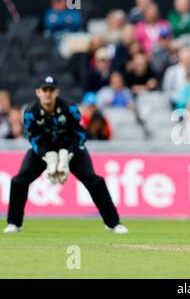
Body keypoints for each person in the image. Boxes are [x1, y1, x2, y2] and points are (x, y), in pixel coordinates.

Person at [4, 76, 128, 234]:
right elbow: (32, 138)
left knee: (94, 181)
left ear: (56, 92)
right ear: (38, 92)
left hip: (70, 148)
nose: (48, 94)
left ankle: (113, 223)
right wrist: (47, 156)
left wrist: (67, 155)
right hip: (44, 149)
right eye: (44, 90)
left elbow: (81, 134)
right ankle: (15, 223)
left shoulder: (70, 108)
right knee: (19, 181)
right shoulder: (30, 112)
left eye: (51, 90)